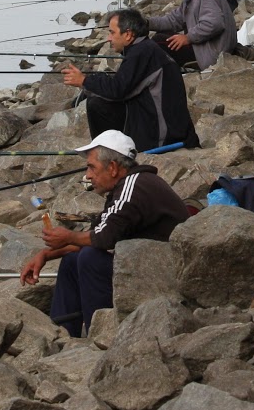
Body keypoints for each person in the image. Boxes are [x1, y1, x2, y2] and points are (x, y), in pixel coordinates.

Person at [20, 130, 190, 336]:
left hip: (167, 276)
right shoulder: (127, 187)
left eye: (92, 167)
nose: (88, 175)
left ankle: (100, 334)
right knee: (74, 259)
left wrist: (69, 236)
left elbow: (103, 238)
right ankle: (62, 332)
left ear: (112, 168)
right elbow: (96, 234)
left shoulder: (135, 187)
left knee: (90, 257)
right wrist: (46, 254)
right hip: (147, 266)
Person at [61, 8, 200, 152]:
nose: (109, 38)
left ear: (128, 34)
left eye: (112, 32)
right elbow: (124, 85)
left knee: (97, 104)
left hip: (164, 135)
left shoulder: (141, 52)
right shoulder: (144, 48)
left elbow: (117, 90)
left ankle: (105, 155)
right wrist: (92, 83)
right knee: (99, 94)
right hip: (166, 126)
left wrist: (85, 81)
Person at [147, 0, 236, 70]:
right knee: (162, 34)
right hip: (204, 46)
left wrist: (187, 37)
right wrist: (146, 23)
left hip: (212, 52)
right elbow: (172, 20)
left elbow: (214, 23)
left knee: (157, 42)